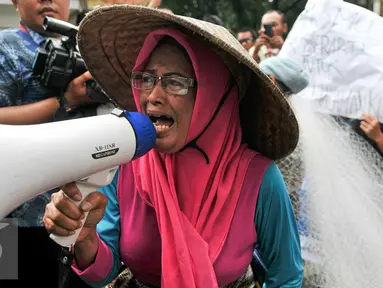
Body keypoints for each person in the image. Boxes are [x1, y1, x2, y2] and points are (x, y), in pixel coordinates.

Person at [43, 5, 303, 288]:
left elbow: (286, 276)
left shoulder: (259, 179)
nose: (153, 96)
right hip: (12, 232)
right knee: (9, 271)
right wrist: (85, 236)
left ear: (212, 96)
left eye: (175, 82)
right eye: (145, 79)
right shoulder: (124, 163)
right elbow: (103, 273)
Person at [0, 0, 93, 286]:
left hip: (78, 214)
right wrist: (66, 101)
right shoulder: (5, 47)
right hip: (13, 218)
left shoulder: (87, 48)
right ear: (14, 2)